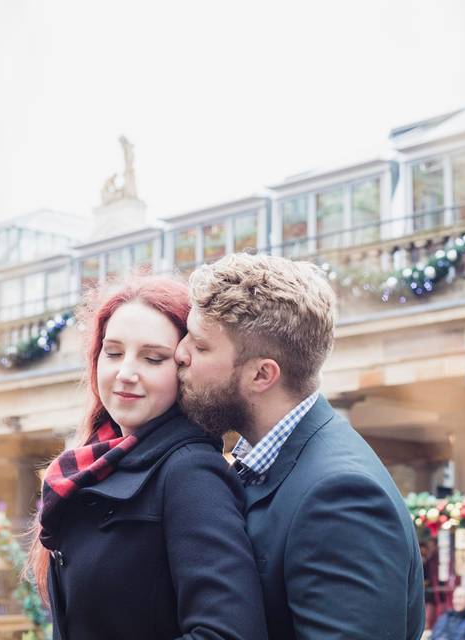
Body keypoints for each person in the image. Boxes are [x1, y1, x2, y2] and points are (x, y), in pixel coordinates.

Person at [175, 253, 425, 640]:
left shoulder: (340, 497)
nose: (180, 353)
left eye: (202, 346)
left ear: (262, 374)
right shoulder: (266, 463)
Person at [28, 274, 267, 640]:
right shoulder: (94, 461)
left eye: (153, 358)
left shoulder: (189, 471)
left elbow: (227, 633)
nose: (125, 373)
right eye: (113, 353)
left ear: (186, 368)